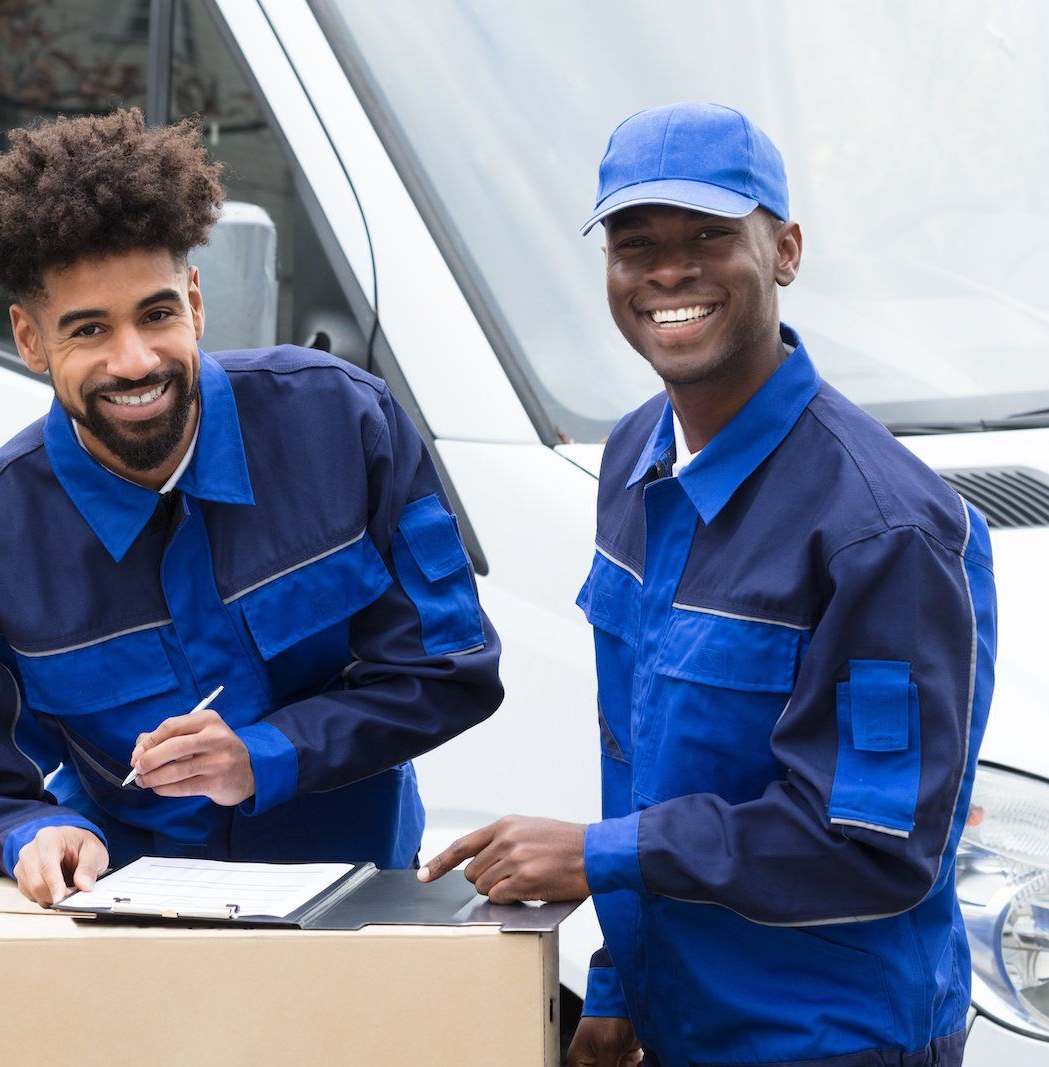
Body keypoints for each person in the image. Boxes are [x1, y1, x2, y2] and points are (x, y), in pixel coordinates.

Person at [420, 102, 996, 1067]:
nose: (668, 271)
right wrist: (618, 982)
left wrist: (596, 855)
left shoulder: (882, 530)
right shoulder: (633, 461)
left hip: (828, 1039)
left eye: (710, 236)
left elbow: (875, 843)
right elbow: (642, 764)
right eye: (635, 243)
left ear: (786, 251)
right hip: (678, 1025)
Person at [0, 108, 502, 907]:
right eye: (88, 330)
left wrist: (267, 754)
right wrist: (28, 834)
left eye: (156, 313)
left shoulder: (344, 426)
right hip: (129, 938)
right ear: (31, 340)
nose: (134, 359)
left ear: (196, 302)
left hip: (359, 911)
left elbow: (452, 670)